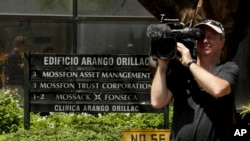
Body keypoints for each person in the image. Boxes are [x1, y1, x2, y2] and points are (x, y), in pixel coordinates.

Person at [150, 19, 239, 141]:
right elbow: (157, 102)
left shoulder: (228, 68)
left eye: (211, 36)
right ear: (195, 42)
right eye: (200, 36)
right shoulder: (182, 71)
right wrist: (162, 67)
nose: (205, 41)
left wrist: (190, 63)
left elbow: (218, 89)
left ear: (222, 42)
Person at [6, 35, 27, 99]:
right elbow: (13, 69)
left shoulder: (17, 54)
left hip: (18, 83)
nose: (24, 47)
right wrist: (24, 65)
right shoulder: (13, 55)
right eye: (24, 45)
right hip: (15, 84)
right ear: (21, 45)